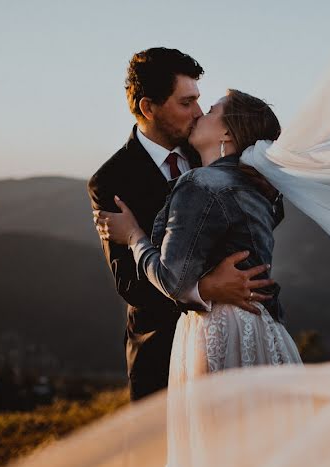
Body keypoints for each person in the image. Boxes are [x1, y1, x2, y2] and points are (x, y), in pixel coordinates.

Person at [95, 89, 330, 467]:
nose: (201, 112)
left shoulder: (201, 183)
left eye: (212, 108)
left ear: (227, 134)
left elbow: (174, 279)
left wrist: (134, 236)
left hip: (220, 334)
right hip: (268, 334)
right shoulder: (260, 188)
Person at [88, 47, 275, 401]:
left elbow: (259, 210)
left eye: (200, 101)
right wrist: (206, 289)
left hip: (231, 342)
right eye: (186, 103)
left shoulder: (208, 149)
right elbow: (130, 284)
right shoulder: (112, 180)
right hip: (161, 355)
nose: (199, 112)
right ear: (149, 108)